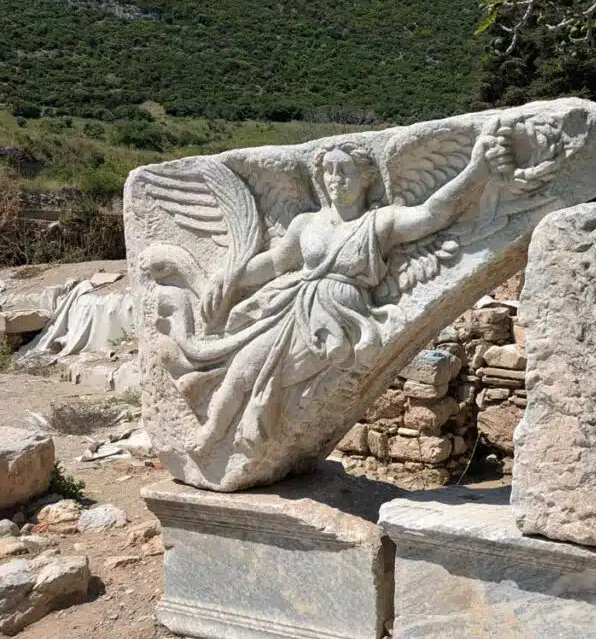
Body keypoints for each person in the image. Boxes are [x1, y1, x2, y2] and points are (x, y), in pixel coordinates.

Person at [175, 123, 514, 456]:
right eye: (329, 172)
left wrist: (477, 169)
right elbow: (275, 262)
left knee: (293, 380)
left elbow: (433, 214)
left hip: (341, 317)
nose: (336, 179)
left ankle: (267, 440)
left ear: (366, 178)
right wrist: (231, 277)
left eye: (345, 171)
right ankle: (211, 434)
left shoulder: (380, 222)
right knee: (241, 370)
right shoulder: (307, 223)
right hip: (289, 306)